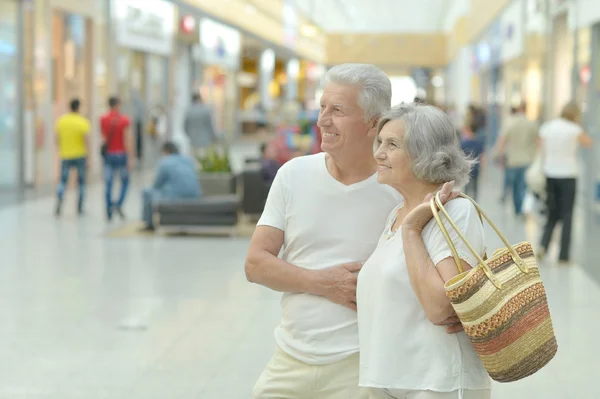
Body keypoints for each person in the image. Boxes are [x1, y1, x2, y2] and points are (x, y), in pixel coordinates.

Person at [246, 64, 407, 399]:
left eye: (337, 110)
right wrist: (323, 283)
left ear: (373, 123)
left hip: (362, 367)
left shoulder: (398, 189)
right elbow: (256, 264)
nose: (322, 120)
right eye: (322, 107)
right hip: (289, 359)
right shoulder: (293, 175)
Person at [358, 103, 491, 399]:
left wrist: (412, 231)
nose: (379, 153)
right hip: (389, 379)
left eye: (392, 145)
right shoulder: (396, 214)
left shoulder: (455, 212)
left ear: (424, 153)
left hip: (437, 384)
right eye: (380, 143)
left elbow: (439, 308)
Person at [538, 102, 593, 263]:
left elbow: (541, 147)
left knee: (552, 212)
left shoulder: (548, 127)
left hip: (550, 173)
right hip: (568, 174)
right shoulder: (574, 129)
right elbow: (588, 143)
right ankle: (563, 255)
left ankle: (543, 246)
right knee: (567, 214)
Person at [140, 142, 202, 231]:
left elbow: (157, 185)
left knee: (146, 192)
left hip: (176, 197)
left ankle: (149, 224)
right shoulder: (188, 160)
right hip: (195, 195)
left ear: (166, 151)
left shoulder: (165, 161)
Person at [495, 103, 539, 216]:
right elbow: (538, 140)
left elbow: (503, 140)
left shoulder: (510, 123)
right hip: (527, 159)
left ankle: (518, 209)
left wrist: (497, 154)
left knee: (515, 186)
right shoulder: (531, 124)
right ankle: (522, 207)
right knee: (523, 186)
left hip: (513, 160)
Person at [55, 98, 91, 216]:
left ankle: (59, 198)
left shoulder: (61, 121)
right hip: (80, 155)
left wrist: (61, 150)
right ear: (78, 107)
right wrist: (88, 157)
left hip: (65, 155)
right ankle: (80, 206)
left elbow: (57, 139)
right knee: (81, 181)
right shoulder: (82, 121)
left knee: (63, 180)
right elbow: (86, 140)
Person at [100, 96, 132, 221]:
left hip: (108, 155)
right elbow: (127, 139)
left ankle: (108, 209)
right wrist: (130, 158)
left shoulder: (103, 119)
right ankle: (118, 204)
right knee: (125, 181)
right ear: (118, 105)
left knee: (108, 182)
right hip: (121, 154)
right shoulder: (124, 120)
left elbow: (103, 137)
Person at [184, 93, 217, 158]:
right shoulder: (206, 110)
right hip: (205, 139)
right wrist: (213, 136)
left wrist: (189, 134)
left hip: (193, 139)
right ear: (199, 99)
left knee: (194, 159)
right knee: (204, 160)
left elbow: (185, 126)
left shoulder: (188, 111)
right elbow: (210, 125)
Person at [460, 123, 485, 201]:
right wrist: (483, 169)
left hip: (467, 168)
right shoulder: (479, 143)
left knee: (467, 187)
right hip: (476, 168)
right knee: (475, 187)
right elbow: (482, 157)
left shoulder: (464, 143)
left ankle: (466, 200)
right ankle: (475, 202)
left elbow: (460, 157)